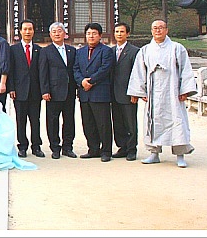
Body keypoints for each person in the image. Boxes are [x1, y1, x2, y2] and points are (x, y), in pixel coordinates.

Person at [127, 19, 197, 168]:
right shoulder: (145, 50)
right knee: (153, 121)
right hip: (153, 93)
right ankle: (154, 153)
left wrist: (185, 90)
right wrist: (140, 91)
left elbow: (185, 69)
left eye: (161, 28)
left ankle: (180, 155)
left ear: (166, 30)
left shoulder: (177, 48)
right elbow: (139, 72)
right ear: (151, 31)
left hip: (172, 91)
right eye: (155, 28)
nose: (158, 30)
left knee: (177, 121)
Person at [73, 22, 114, 162]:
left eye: (94, 33)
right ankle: (93, 149)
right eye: (89, 33)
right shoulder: (80, 52)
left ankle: (106, 151)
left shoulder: (106, 51)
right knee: (88, 123)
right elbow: (75, 69)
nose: (91, 36)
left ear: (100, 36)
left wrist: (90, 81)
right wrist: (81, 81)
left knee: (103, 123)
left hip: (99, 92)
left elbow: (105, 69)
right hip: (84, 93)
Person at [38, 22, 78, 159]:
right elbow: (42, 72)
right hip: (53, 92)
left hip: (69, 91)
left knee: (69, 120)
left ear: (64, 34)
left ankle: (68, 147)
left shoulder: (72, 50)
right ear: (50, 34)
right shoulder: (46, 51)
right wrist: (45, 90)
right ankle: (55, 148)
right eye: (54, 31)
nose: (57, 34)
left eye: (59, 31)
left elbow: (74, 70)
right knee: (53, 121)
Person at [8, 19, 44, 158]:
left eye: (30, 29)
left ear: (33, 31)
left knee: (35, 120)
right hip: (19, 91)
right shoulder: (13, 49)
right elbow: (11, 70)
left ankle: (36, 146)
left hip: (35, 91)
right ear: (20, 31)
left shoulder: (39, 50)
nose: (27, 32)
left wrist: (43, 90)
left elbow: (42, 71)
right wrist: (11, 88)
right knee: (20, 120)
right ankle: (22, 146)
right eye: (25, 29)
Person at [110, 22, 140, 161]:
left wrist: (135, 92)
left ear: (127, 34)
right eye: (117, 32)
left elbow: (137, 73)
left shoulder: (134, 51)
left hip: (128, 93)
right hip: (113, 93)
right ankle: (122, 147)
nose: (119, 34)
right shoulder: (110, 51)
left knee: (130, 123)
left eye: (122, 32)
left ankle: (132, 149)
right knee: (117, 122)